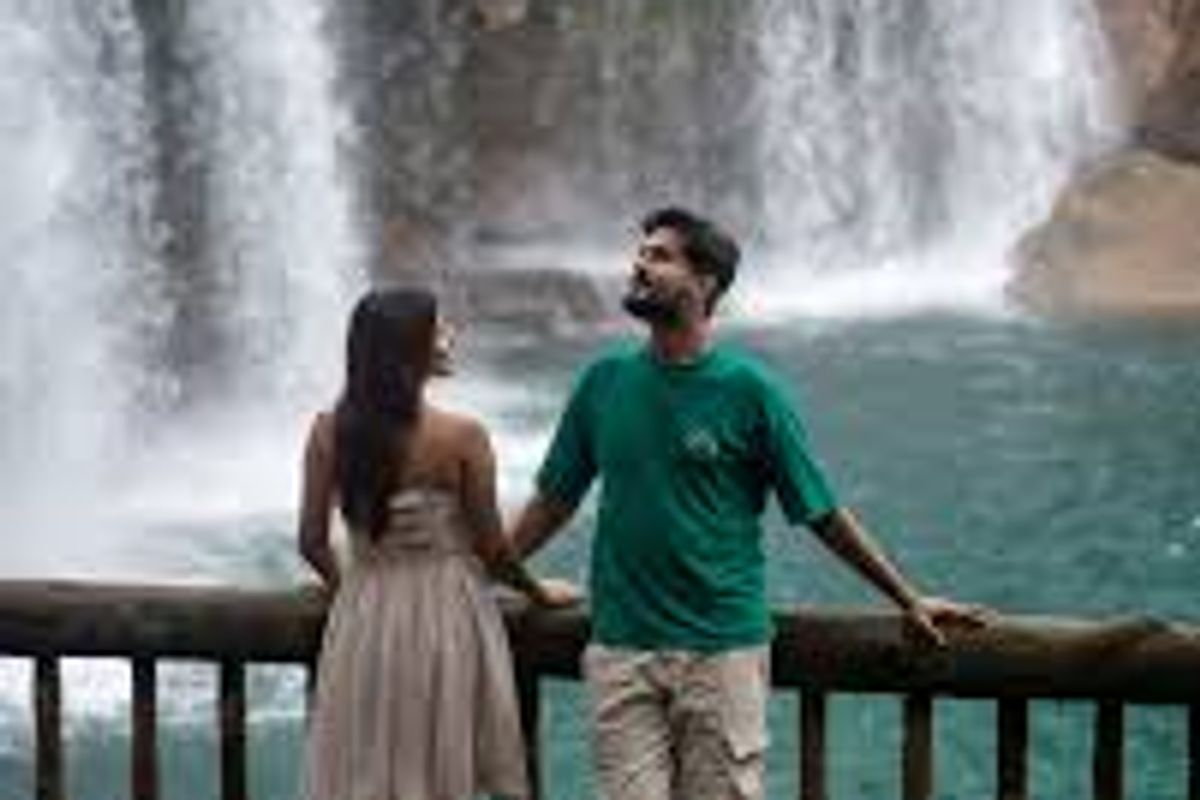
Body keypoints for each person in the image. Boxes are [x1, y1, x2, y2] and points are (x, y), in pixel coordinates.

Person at [508, 207, 988, 800]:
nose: (638, 264)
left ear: (705, 283)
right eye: (641, 252)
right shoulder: (602, 384)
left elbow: (821, 511)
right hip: (622, 649)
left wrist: (907, 597)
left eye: (660, 256)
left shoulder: (750, 393)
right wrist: (487, 569)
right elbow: (553, 501)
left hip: (722, 653)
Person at [296, 286, 575, 800]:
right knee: (441, 758)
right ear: (411, 349)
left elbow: (311, 542)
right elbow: (494, 551)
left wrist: (351, 590)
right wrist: (538, 593)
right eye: (439, 328)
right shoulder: (463, 436)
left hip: (365, 614)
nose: (449, 337)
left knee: (369, 760)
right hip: (448, 613)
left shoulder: (327, 432)